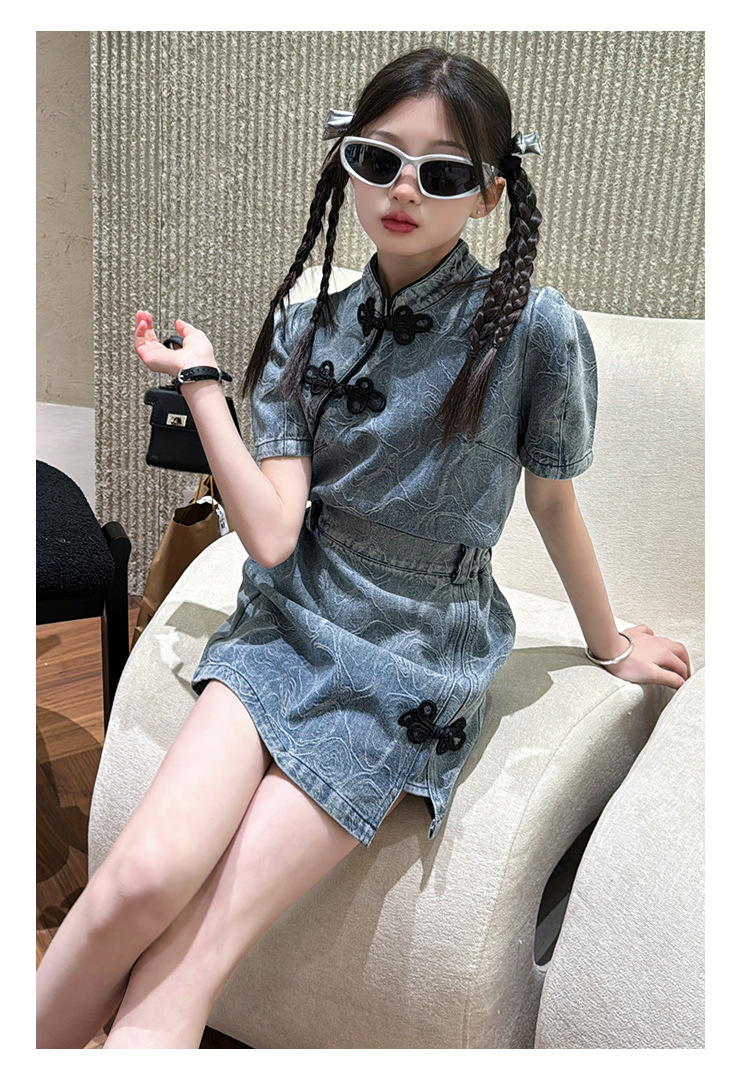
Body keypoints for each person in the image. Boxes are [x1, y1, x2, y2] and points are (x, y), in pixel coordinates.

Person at [36, 46, 690, 1049]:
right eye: (379, 159)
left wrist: (609, 645)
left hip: (413, 654)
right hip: (288, 622)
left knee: (194, 954)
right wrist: (203, 382)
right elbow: (270, 532)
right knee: (136, 881)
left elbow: (553, 500)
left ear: (490, 194)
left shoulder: (534, 332)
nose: (403, 189)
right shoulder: (307, 328)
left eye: (443, 172)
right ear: (346, 160)